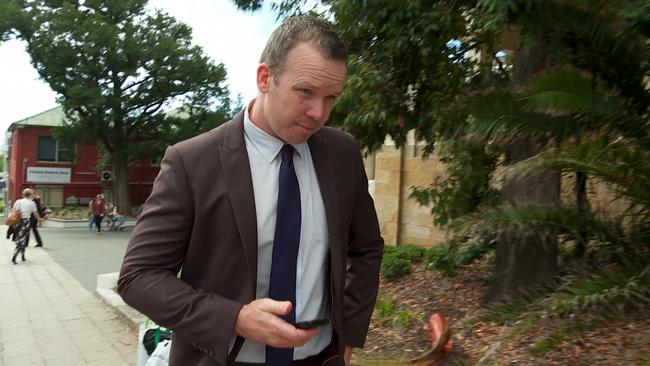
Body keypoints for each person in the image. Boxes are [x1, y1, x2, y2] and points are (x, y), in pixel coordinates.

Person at [118, 16, 384, 366]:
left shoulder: (341, 153)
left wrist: (348, 334)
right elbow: (138, 277)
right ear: (265, 78)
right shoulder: (191, 161)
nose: (318, 112)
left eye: (330, 97)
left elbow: (365, 249)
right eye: (305, 92)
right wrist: (235, 318)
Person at [11, 188, 42, 264]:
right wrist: (39, 220)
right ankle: (15, 256)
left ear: (23, 194)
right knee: (22, 239)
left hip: (17, 222)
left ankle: (23, 255)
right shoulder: (32, 203)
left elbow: (13, 211)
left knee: (21, 238)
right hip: (25, 222)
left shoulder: (18, 201)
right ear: (30, 195)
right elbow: (35, 213)